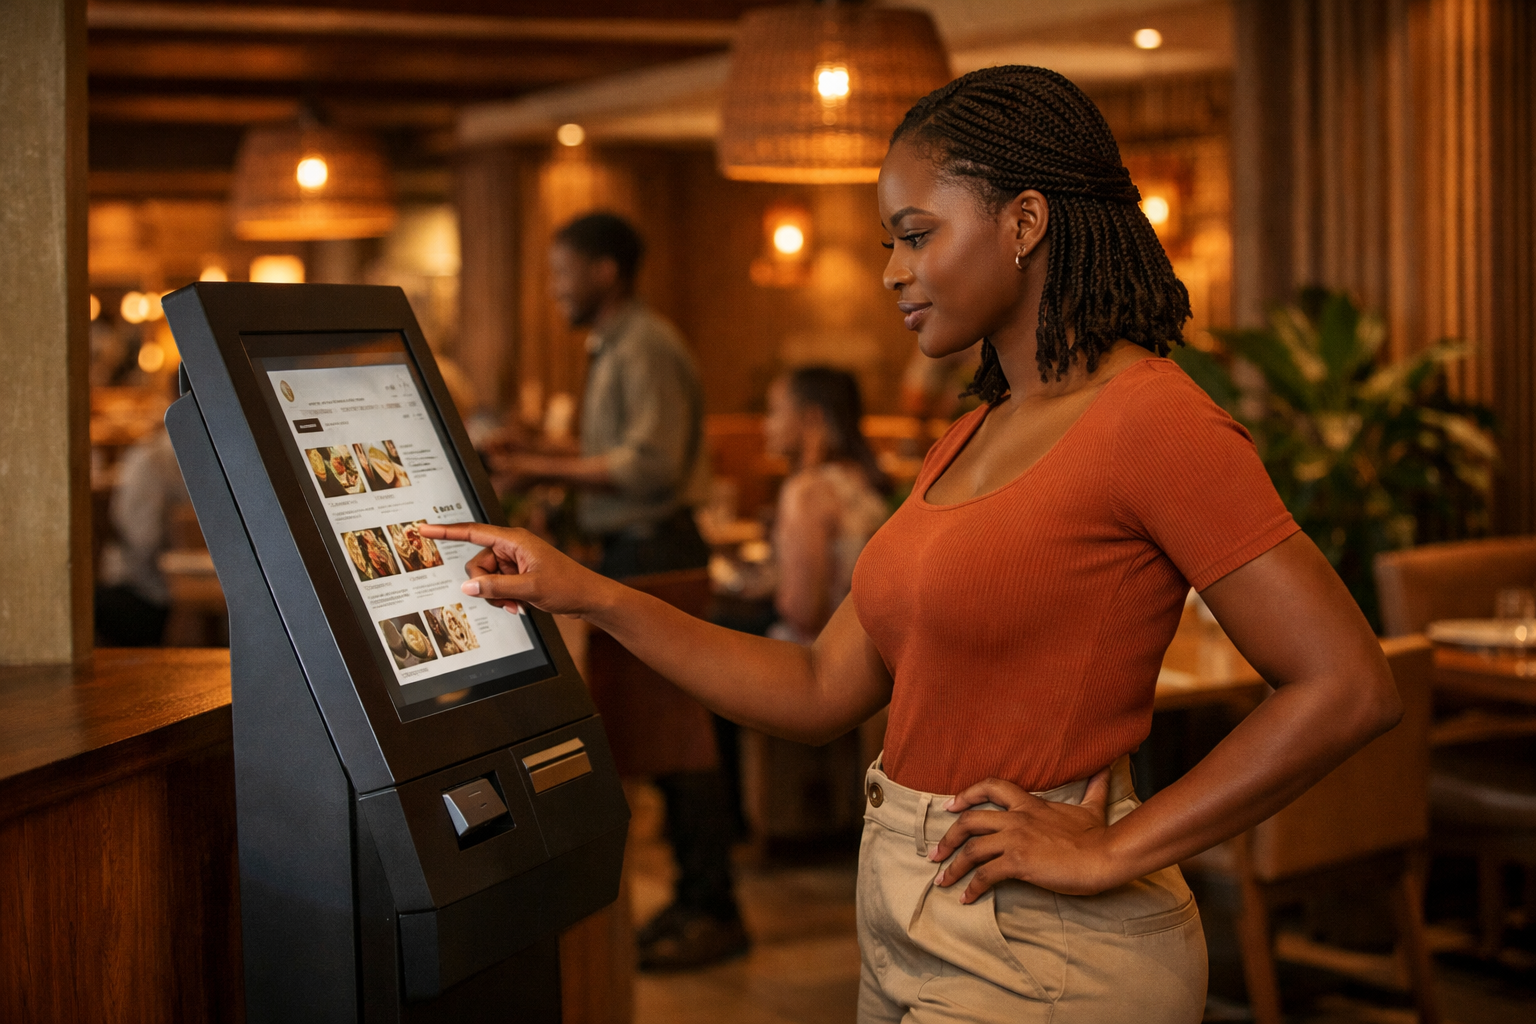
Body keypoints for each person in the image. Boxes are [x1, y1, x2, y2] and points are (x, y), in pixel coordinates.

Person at [424, 66, 1400, 1023]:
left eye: (914, 234)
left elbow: (1346, 682)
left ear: (1023, 223)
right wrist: (584, 590)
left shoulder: (1153, 419)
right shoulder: (970, 434)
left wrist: (1118, 845)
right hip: (903, 903)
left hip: (1045, 946)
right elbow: (815, 688)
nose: (893, 270)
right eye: (890, 240)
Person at [492, 212, 747, 970]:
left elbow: (649, 465)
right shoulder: (615, 347)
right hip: (635, 546)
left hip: (659, 546)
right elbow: (613, 452)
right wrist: (538, 451)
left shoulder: (646, 345)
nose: (554, 289)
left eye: (561, 272)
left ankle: (715, 906)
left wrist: (541, 469)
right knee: (662, 736)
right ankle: (698, 897)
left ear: (604, 271)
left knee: (679, 737)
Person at [762, 366, 890, 645]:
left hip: (816, 657)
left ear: (811, 418)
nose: (766, 425)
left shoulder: (805, 493)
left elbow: (803, 611)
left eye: (774, 411)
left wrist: (775, 591)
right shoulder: (861, 481)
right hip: (863, 649)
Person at [95, 425, 191, 646]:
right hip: (145, 591)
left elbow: (142, 540)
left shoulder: (153, 459)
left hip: (156, 593)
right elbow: (142, 543)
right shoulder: (154, 459)